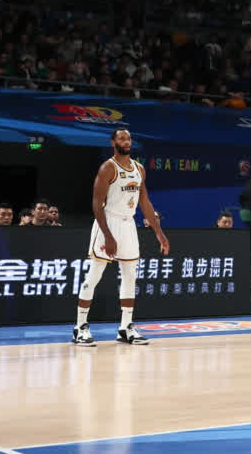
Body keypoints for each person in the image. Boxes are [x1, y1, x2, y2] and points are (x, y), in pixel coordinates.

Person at [72, 128, 170, 347]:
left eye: (129, 138)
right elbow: (96, 204)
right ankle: (80, 327)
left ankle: (126, 327)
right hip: (108, 221)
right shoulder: (108, 167)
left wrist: (159, 232)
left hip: (128, 224)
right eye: (122, 138)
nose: (126, 141)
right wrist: (108, 235)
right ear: (113, 142)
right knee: (94, 275)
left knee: (130, 276)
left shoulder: (139, 168)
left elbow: (145, 202)